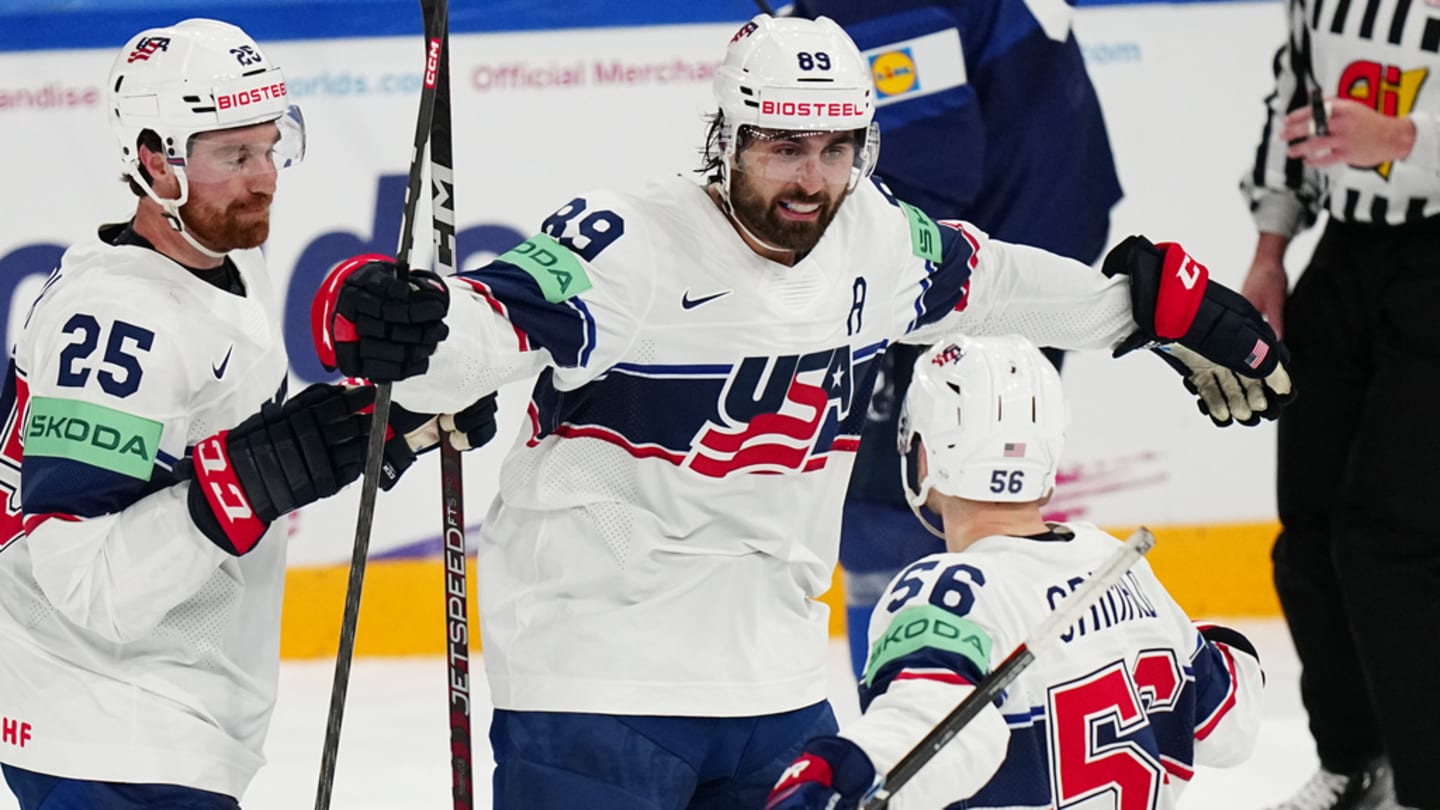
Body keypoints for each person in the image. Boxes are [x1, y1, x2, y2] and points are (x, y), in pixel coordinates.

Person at [312, 15, 1290, 809]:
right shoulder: (628, 245)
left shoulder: (875, 237)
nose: (812, 179)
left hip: (778, 691)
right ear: (725, 138)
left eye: (835, 149)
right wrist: (399, 321)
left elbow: (994, 282)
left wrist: (1144, 312)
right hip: (599, 690)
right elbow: (488, 325)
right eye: (783, 146)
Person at [0, 19, 492, 809]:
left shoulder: (229, 259)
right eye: (234, 156)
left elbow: (239, 451)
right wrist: (247, 484)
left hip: (163, 718)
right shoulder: (114, 323)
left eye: (271, 146)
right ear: (154, 159)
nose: (265, 178)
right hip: (103, 727)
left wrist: (391, 424)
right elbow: (85, 583)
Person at [764, 334, 1266, 810]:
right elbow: (1231, 724)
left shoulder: (946, 593)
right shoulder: (1115, 567)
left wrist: (835, 774)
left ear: (924, 456)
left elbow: (931, 730)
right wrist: (1187, 638)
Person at [784, 0, 1124, 680]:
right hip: (1026, 243)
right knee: (975, 500)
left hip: (980, 270)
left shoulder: (874, 4)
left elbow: (927, 170)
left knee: (901, 503)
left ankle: (920, 720)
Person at [1240, 3, 1440, 807]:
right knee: (1311, 535)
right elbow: (1295, 92)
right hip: (1348, 255)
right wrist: (1270, 251)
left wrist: (1408, 139)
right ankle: (1356, 762)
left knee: (1392, 540)